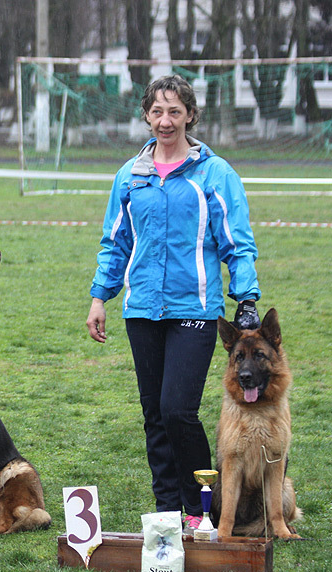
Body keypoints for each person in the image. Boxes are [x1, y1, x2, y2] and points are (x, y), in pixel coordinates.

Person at [85, 74, 261, 533]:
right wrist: (100, 297)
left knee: (177, 410)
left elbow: (237, 242)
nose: (166, 121)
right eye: (157, 112)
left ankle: (201, 508)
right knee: (154, 415)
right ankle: (166, 513)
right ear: (146, 115)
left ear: (190, 115)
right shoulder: (130, 175)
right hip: (142, 310)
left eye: (175, 112)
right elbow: (115, 242)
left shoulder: (214, 173)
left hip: (195, 310)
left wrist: (247, 296)